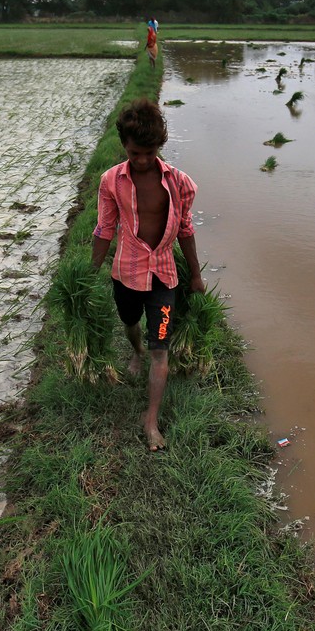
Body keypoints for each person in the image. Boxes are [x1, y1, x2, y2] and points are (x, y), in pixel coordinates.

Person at [91, 99, 205, 452]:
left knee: (162, 348)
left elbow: (185, 229)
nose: (141, 159)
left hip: (164, 278)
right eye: (134, 152)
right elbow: (104, 229)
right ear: (124, 145)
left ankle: (151, 418)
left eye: (149, 152)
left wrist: (196, 275)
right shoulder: (112, 180)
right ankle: (135, 351)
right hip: (125, 273)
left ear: (160, 146)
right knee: (129, 322)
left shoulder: (180, 183)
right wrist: (88, 274)